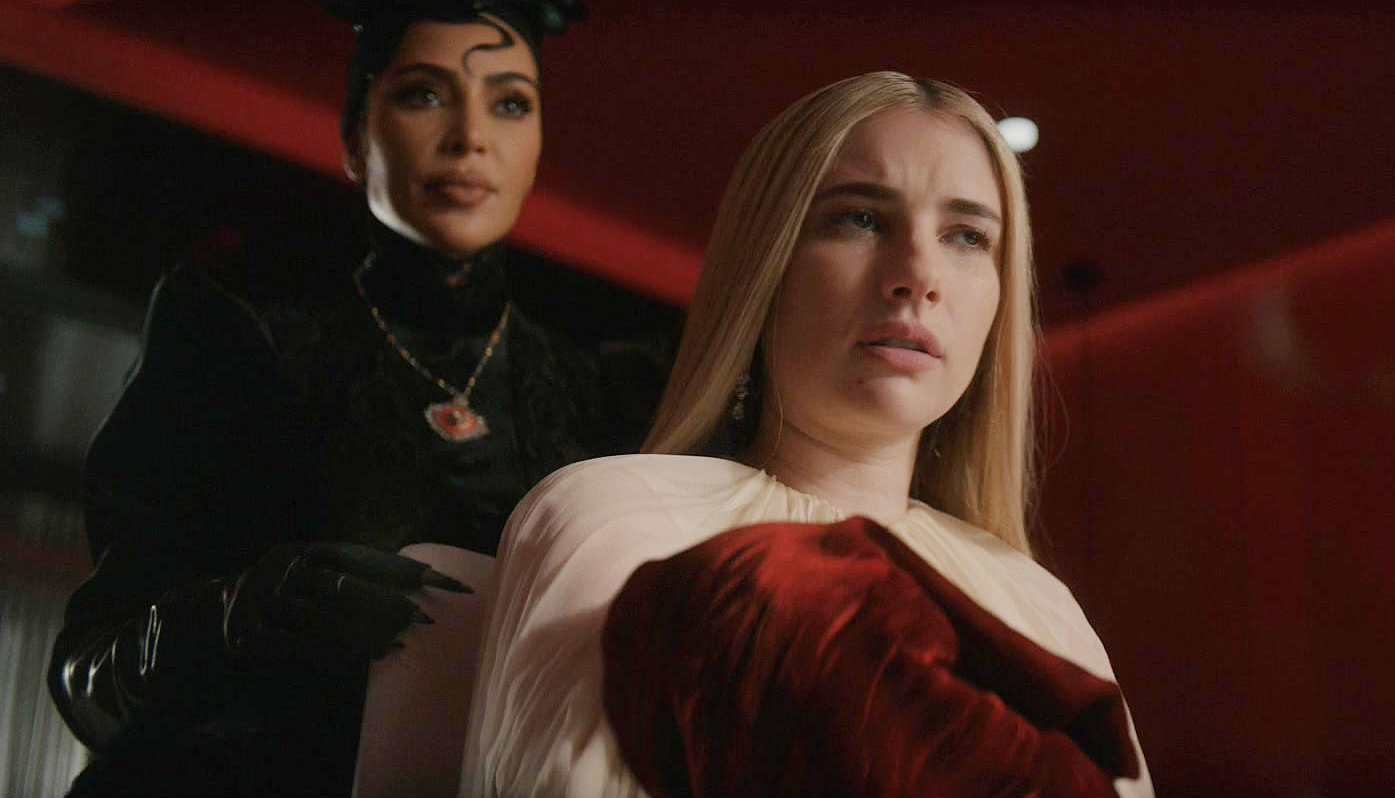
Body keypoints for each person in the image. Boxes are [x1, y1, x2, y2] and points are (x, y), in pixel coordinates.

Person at [464, 72, 1153, 797]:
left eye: (967, 236)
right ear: (764, 265)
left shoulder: (1042, 609)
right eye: (860, 219)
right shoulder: (617, 522)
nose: (919, 274)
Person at [45, 2, 666, 796]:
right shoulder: (236, 336)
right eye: (424, 94)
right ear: (353, 135)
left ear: (539, 142)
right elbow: (87, 677)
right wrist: (237, 616)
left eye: (510, 103)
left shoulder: (605, 395)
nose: (471, 136)